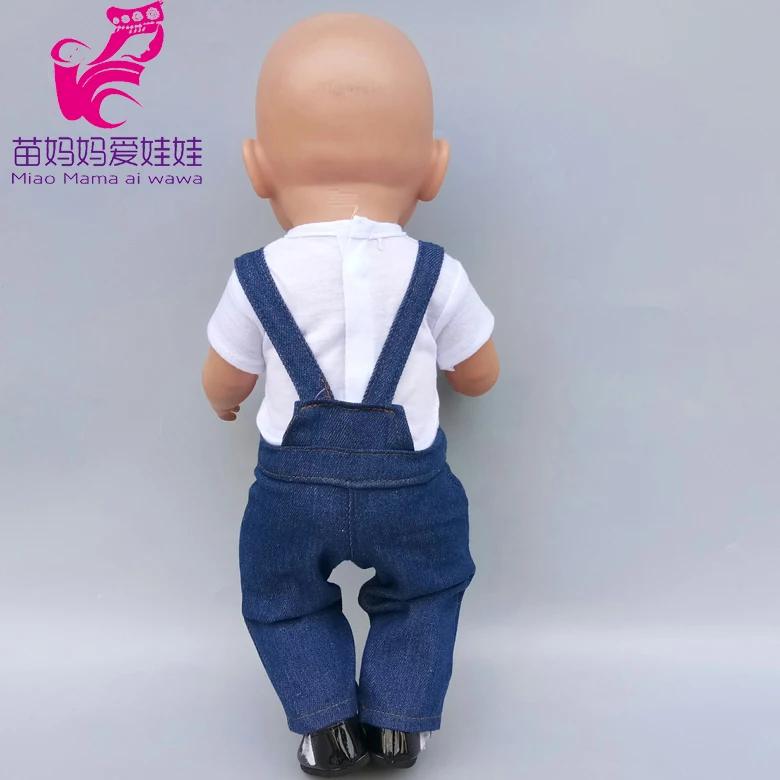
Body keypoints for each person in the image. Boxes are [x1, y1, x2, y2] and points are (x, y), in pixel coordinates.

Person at [202, 12, 499, 776]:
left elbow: (224, 377)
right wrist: (461, 378)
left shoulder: (256, 276)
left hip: (291, 492)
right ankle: (398, 724)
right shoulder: (438, 274)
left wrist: (225, 402)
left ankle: (327, 726)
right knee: (426, 591)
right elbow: (480, 371)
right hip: (413, 490)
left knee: (282, 598)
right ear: (433, 169)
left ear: (257, 167)